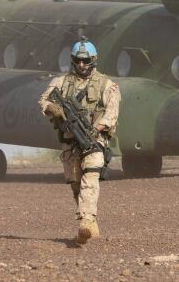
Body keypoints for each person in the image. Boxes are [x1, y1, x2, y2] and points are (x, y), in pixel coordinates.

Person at [39, 38, 121, 244]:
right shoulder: (61, 82)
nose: (82, 65)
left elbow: (111, 114)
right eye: (78, 60)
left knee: (91, 177)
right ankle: (91, 224)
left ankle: (86, 220)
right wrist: (53, 108)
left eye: (85, 61)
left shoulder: (107, 85)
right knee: (76, 184)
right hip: (69, 142)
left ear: (93, 60)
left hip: (93, 140)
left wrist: (95, 129)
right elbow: (43, 100)